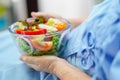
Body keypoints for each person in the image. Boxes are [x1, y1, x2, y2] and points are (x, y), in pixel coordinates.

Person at [20, 0, 120, 80]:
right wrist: (66, 24)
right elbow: (109, 13)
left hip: (63, 71)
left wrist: (53, 66)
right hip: (62, 44)